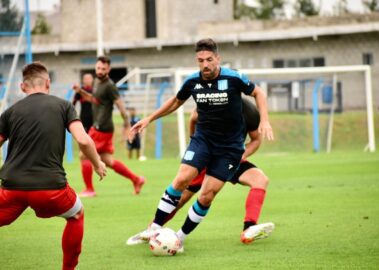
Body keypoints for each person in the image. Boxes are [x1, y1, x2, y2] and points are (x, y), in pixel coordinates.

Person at [126, 38, 274, 251]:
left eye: (209, 60)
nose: (205, 65)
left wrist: (265, 120)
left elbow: (258, 92)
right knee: (182, 179)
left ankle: (180, 237)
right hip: (203, 141)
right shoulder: (193, 81)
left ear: (218, 59)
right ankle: (154, 227)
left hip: (229, 150)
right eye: (200, 60)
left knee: (206, 195)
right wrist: (149, 119)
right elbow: (177, 102)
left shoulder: (234, 80)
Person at [0, 62, 107, 270]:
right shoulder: (63, 106)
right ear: (48, 83)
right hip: (51, 189)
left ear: (23, 87)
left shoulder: (10, 112)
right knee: (76, 215)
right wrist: (97, 163)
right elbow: (84, 141)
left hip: (12, 188)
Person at [159, 97, 273, 244]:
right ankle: (153, 229)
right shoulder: (210, 102)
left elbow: (256, 139)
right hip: (206, 157)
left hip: (230, 158)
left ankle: (249, 228)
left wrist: (240, 156)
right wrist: (195, 145)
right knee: (180, 199)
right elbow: (193, 119)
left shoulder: (249, 111)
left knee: (260, 180)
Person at [73, 56, 145, 197]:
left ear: (109, 69)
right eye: (98, 68)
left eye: (103, 69)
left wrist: (127, 126)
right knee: (108, 161)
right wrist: (80, 91)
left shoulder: (109, 85)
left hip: (101, 128)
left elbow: (121, 106)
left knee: (84, 155)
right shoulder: (97, 82)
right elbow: (94, 100)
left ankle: (89, 189)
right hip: (102, 128)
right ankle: (137, 179)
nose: (100, 71)